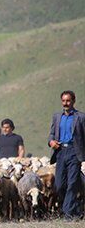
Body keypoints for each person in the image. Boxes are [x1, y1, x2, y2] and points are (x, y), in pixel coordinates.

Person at [48, 90, 85, 220]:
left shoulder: (81, 117)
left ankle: (68, 214)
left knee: (72, 182)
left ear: (73, 101)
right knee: (59, 184)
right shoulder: (57, 117)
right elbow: (52, 134)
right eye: (63, 101)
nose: (65, 103)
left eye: (68, 100)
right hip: (60, 152)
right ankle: (76, 210)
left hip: (74, 152)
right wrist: (51, 142)